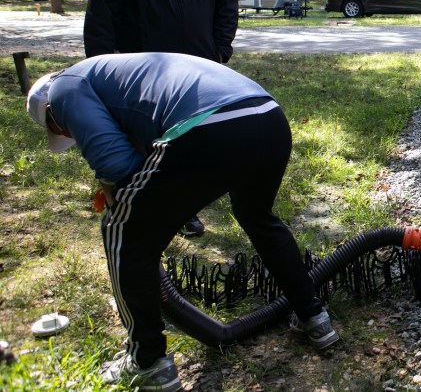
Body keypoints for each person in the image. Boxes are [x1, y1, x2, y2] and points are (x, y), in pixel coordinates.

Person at [26, 53, 339, 391]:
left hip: (211, 126)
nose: (68, 135)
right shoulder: (111, 73)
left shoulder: (62, 89)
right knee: (257, 216)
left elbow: (118, 166)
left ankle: (147, 362)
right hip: (267, 117)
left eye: (62, 131)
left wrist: (120, 194)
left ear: (50, 116)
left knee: (122, 229)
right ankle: (314, 317)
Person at [84, 0, 239, 237]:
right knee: (147, 147)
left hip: (198, 71)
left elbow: (227, 3)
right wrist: (100, 72)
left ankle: (187, 210)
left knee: (190, 143)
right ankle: (140, 208)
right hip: (141, 77)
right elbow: (100, 22)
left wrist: (220, 49)